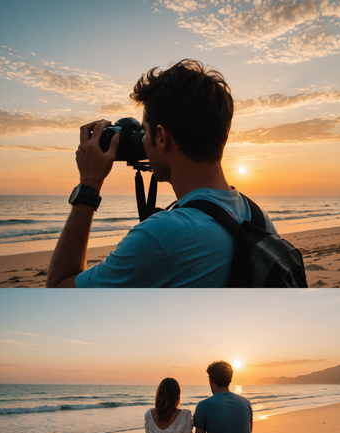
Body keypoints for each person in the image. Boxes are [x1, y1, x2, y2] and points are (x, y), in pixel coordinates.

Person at [46, 59, 277, 288]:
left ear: (162, 137)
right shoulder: (258, 218)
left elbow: (59, 287)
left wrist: (89, 185)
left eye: (144, 131)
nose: (142, 142)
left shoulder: (161, 238)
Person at [193, 361, 258, 433]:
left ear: (212, 381)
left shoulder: (203, 405)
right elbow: (248, 432)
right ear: (229, 380)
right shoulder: (245, 402)